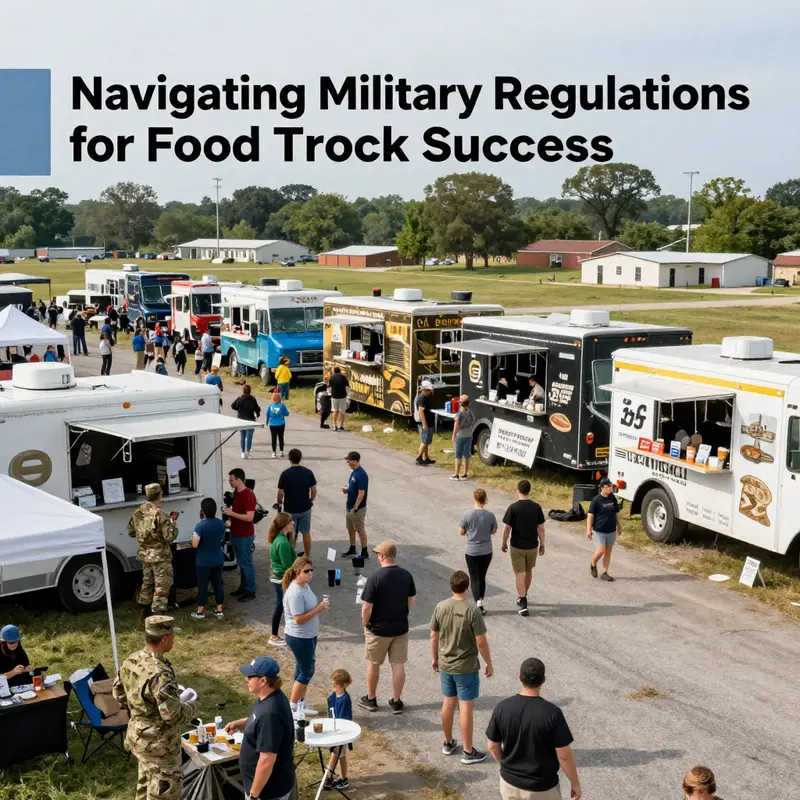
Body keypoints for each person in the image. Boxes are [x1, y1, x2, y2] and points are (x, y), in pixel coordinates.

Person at [113, 616, 198, 800]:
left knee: (145, 787)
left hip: (138, 737)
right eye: (173, 636)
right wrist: (193, 707)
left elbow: (118, 693)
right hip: (160, 747)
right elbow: (172, 716)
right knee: (164, 793)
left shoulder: (132, 660)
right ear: (165, 639)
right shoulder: (160, 673)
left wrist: (140, 710)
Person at [486, 658, 581, 800]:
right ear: (544, 680)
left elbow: (493, 746)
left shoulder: (502, 707)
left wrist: (507, 767)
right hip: (541, 788)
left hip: (509, 785)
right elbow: (564, 756)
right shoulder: (552, 713)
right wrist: (575, 783)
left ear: (519, 677)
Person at [430, 570, 494, 764]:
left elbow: (434, 635)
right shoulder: (471, 610)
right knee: (465, 707)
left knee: (448, 703)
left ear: (451, 586)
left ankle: (448, 742)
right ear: (467, 588)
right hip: (466, 666)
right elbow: (481, 641)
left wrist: (435, 658)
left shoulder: (440, 607)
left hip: (446, 664)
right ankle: (468, 750)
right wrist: (488, 663)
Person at [358, 541, 416, 715]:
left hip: (378, 629)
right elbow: (411, 599)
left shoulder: (376, 577)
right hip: (399, 626)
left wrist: (365, 624)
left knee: (374, 663)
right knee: (398, 664)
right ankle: (396, 701)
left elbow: (367, 606)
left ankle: (371, 698)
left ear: (382, 556)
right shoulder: (406, 575)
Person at [225, 657, 296, 800]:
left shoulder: (270, 714)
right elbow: (261, 720)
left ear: (263, 681)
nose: (246, 679)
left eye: (250, 676)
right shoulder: (272, 696)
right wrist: (243, 723)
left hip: (268, 792)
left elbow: (267, 759)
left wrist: (254, 795)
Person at [282, 556, 328, 710]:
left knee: (302, 668)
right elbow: (298, 619)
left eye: (311, 570)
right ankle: (293, 706)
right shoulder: (295, 593)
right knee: (307, 670)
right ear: (297, 572)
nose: (310, 573)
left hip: (308, 635)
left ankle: (300, 703)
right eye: (307, 571)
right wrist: (318, 609)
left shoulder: (305, 586)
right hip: (299, 636)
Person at [128, 484, 179, 617]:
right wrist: (173, 523)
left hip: (145, 555)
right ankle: (158, 616)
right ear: (159, 495)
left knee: (147, 583)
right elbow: (169, 537)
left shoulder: (138, 512)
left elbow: (131, 532)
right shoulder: (160, 514)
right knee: (162, 586)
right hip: (160, 556)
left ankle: (144, 613)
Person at [502, 480, 546, 617]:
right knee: (528, 571)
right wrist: (543, 544)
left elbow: (507, 528)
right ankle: (524, 594)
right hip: (532, 545)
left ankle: (523, 601)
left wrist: (504, 542)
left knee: (519, 573)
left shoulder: (513, 507)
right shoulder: (536, 507)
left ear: (518, 490)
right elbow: (541, 528)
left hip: (517, 545)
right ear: (529, 490)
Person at [459, 488, 497, 614]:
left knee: (474, 577)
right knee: (482, 576)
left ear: (474, 498)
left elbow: (461, 531)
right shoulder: (490, 515)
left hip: (472, 550)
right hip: (486, 550)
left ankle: (478, 602)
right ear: (485, 499)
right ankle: (480, 599)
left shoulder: (467, 515)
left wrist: (468, 531)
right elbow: (494, 531)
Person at [223, 468, 257, 602]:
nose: (230, 482)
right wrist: (230, 524)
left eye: (231, 480)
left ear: (239, 480)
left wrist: (232, 514)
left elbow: (250, 517)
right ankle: (243, 587)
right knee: (242, 563)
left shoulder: (248, 495)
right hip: (236, 533)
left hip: (244, 535)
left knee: (246, 563)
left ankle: (251, 590)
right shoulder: (236, 493)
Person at [276, 449, 316, 557]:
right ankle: (307, 556)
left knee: (291, 533)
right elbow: (313, 489)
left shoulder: (285, 474)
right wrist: (311, 500)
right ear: (300, 458)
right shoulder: (308, 472)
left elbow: (280, 492)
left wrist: (279, 503)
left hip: (290, 508)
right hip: (305, 507)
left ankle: (293, 556)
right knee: (306, 532)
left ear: (289, 459)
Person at [190, 497, 226, 619]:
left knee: (203, 586)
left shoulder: (200, 526)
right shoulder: (220, 523)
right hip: (218, 559)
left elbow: (195, 544)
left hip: (203, 562)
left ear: (202, 511)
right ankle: (219, 609)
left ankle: (200, 611)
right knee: (218, 585)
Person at [268, 513, 296, 647]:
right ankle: (274, 635)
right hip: (281, 579)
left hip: (277, 578)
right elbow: (287, 565)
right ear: (284, 525)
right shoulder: (283, 543)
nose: (293, 524)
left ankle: (277, 634)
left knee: (282, 606)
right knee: (282, 606)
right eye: (291, 522)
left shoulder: (279, 538)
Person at [587, 477, 622, 581]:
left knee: (608, 552)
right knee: (601, 550)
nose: (611, 488)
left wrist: (619, 526)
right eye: (609, 486)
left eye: (611, 486)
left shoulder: (613, 498)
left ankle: (604, 572)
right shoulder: (596, 500)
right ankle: (593, 564)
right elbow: (590, 515)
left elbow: (615, 513)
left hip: (611, 529)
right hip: (599, 530)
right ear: (602, 488)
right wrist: (588, 529)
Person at [325, 669, 354, 791]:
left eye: (336, 685)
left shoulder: (345, 700)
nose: (334, 687)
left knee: (339, 755)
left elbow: (344, 719)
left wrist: (338, 731)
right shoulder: (333, 696)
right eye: (333, 685)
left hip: (341, 733)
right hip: (334, 730)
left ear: (344, 685)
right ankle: (330, 776)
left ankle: (340, 778)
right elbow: (330, 710)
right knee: (337, 754)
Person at [341, 451, 368, 560]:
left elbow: (361, 493)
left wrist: (355, 508)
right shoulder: (354, 472)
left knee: (360, 529)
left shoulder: (362, 475)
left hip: (357, 508)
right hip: (350, 506)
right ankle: (352, 547)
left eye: (349, 460)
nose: (348, 462)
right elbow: (353, 486)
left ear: (356, 461)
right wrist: (347, 490)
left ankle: (364, 551)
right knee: (350, 528)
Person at [232, 383, 261, 459]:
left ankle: (242, 452)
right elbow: (257, 408)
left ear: (243, 391)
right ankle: (248, 451)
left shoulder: (240, 398)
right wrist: (258, 413)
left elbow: (233, 406)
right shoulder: (252, 399)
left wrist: (238, 409)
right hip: (250, 420)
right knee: (249, 437)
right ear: (250, 391)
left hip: (241, 420)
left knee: (242, 436)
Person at [451, 395, 475, 480]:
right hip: (468, 435)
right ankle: (465, 473)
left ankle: (456, 474)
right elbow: (473, 421)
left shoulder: (459, 413)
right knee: (466, 455)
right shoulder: (470, 412)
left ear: (460, 403)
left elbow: (456, 425)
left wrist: (454, 435)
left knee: (458, 456)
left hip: (460, 436)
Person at [414, 380, 436, 466]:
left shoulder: (424, 397)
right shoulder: (422, 398)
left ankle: (426, 457)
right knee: (424, 441)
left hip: (429, 422)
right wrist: (424, 424)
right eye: (430, 390)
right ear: (426, 389)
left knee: (427, 441)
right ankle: (419, 457)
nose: (431, 392)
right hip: (425, 423)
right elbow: (421, 411)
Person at [267, 391, 289, 458]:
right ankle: (281, 452)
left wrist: (267, 421)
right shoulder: (282, 405)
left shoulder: (270, 406)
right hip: (281, 424)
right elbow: (287, 414)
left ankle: (274, 452)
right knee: (281, 437)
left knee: (273, 438)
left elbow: (267, 415)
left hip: (272, 424)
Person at [329, 366, 349, 432]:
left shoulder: (331, 378)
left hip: (334, 396)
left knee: (335, 411)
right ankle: (341, 426)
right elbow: (347, 387)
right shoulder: (344, 377)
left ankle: (334, 426)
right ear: (339, 371)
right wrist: (347, 394)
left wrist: (330, 392)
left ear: (334, 371)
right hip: (342, 396)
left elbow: (330, 388)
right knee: (342, 412)